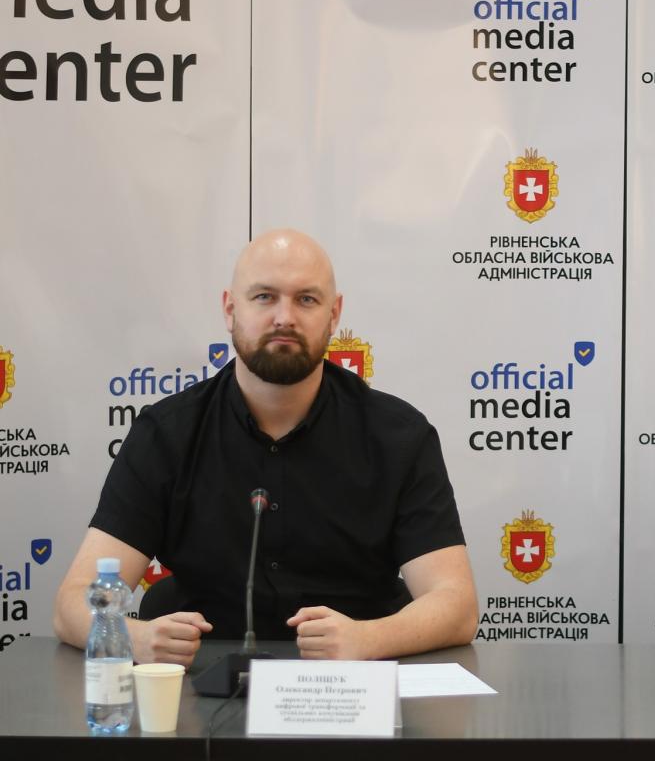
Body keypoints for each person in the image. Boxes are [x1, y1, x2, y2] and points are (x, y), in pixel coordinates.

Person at [53, 229, 478, 666]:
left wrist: (369, 639)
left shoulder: (397, 436)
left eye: (306, 299)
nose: (284, 318)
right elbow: (73, 604)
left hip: (355, 684)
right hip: (201, 688)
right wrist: (135, 639)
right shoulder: (166, 435)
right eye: (264, 297)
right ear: (230, 309)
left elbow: (456, 604)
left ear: (334, 315)